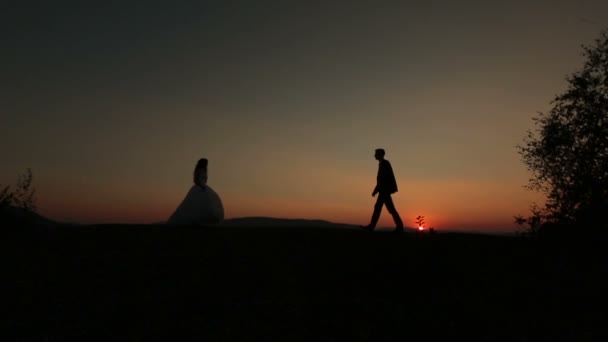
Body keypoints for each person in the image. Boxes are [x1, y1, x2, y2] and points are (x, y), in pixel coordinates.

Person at [167, 158, 224, 225]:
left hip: (203, 186)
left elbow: (204, 179)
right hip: (199, 187)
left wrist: (203, 185)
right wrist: (201, 185)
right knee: (195, 204)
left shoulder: (205, 171)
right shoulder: (199, 170)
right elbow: (197, 179)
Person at [362, 148, 404, 232]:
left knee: (387, 208)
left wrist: (376, 190)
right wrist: (376, 190)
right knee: (382, 208)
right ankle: (399, 226)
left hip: (384, 190)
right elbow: (381, 179)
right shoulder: (382, 163)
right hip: (383, 190)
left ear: (380, 155)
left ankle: (399, 227)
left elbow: (383, 178)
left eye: (376, 154)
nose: (374, 155)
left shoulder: (384, 163)